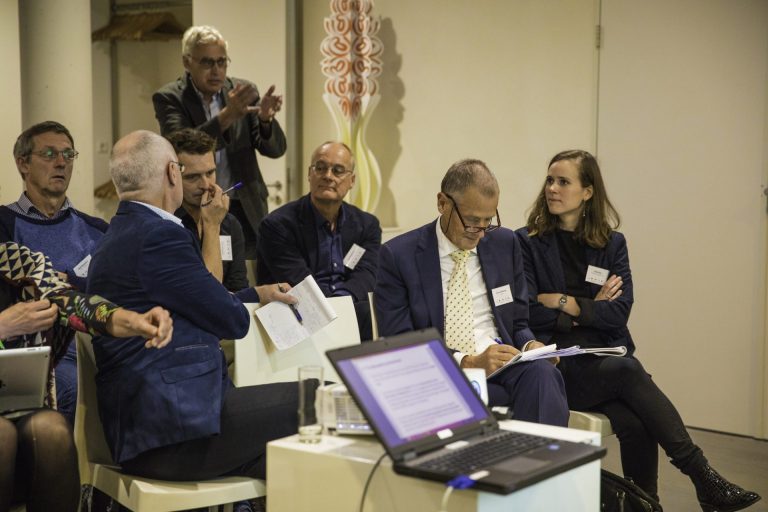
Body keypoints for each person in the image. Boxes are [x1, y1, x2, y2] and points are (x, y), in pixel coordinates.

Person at [516, 149, 760, 510]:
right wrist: (589, 306)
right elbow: (531, 313)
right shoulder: (527, 241)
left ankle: (648, 504)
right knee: (630, 372)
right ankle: (701, 475)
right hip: (560, 365)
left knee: (636, 420)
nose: (552, 188)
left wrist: (564, 301)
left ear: (587, 191)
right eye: (550, 180)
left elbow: (618, 315)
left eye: (563, 181)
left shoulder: (612, 244)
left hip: (603, 358)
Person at [86, 130, 299, 483]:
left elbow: (193, 301)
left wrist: (256, 294)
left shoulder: (126, 231)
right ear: (173, 173)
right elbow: (230, 321)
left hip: (159, 423)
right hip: (174, 432)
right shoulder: (159, 235)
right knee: (318, 398)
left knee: (292, 467)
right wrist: (237, 302)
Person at [374, 159, 569, 426]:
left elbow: (519, 322)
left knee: (543, 375)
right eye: (471, 221)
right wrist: (467, 362)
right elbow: (399, 341)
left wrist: (529, 345)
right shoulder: (398, 256)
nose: (480, 233)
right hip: (440, 372)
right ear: (443, 203)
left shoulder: (504, 244)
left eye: (488, 221)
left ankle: (540, 466)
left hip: (501, 366)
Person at [0, 241, 172, 512]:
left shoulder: (16, 261)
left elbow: (74, 304)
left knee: (51, 429)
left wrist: (131, 320)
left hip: (15, 405)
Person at [0, 121, 109, 425]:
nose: (61, 162)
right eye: (49, 154)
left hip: (95, 345)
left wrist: (69, 283)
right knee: (67, 384)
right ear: (23, 163)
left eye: (68, 154)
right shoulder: (4, 225)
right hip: (34, 348)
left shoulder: (98, 231)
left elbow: (113, 290)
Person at [153, 25, 286, 258]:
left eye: (222, 62)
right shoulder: (169, 97)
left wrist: (265, 120)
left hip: (243, 204)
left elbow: (275, 150)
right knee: (205, 272)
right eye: (207, 62)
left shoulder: (243, 91)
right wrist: (227, 117)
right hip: (194, 205)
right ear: (187, 62)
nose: (216, 70)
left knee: (245, 274)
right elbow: (181, 146)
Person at [256, 141, 381, 340]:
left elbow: (366, 275)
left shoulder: (367, 225)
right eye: (320, 168)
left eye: (338, 170)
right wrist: (334, 309)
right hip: (298, 310)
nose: (328, 176)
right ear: (309, 174)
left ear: (352, 180)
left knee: (376, 308)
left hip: (351, 310)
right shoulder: (278, 225)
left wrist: (341, 307)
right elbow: (297, 280)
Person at [167, 128, 248, 291]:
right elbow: (203, 294)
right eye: (192, 177)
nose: (206, 185)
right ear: (172, 176)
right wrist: (212, 225)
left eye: (210, 173)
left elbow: (238, 288)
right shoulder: (166, 225)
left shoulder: (230, 224)